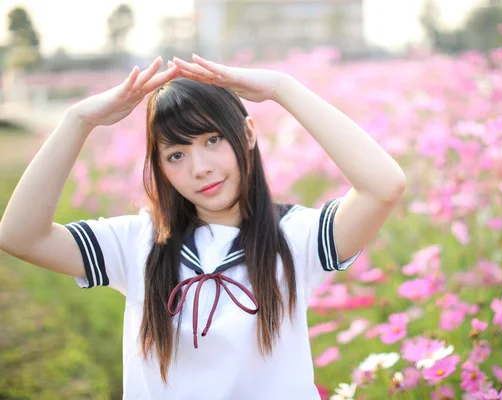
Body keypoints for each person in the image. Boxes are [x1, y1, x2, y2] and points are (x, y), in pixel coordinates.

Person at [0, 55, 406, 399]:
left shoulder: (295, 237)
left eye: (213, 140)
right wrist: (79, 120)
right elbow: (19, 235)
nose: (201, 168)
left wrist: (284, 88)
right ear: (160, 168)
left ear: (247, 133)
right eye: (176, 155)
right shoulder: (138, 241)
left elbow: (384, 187)